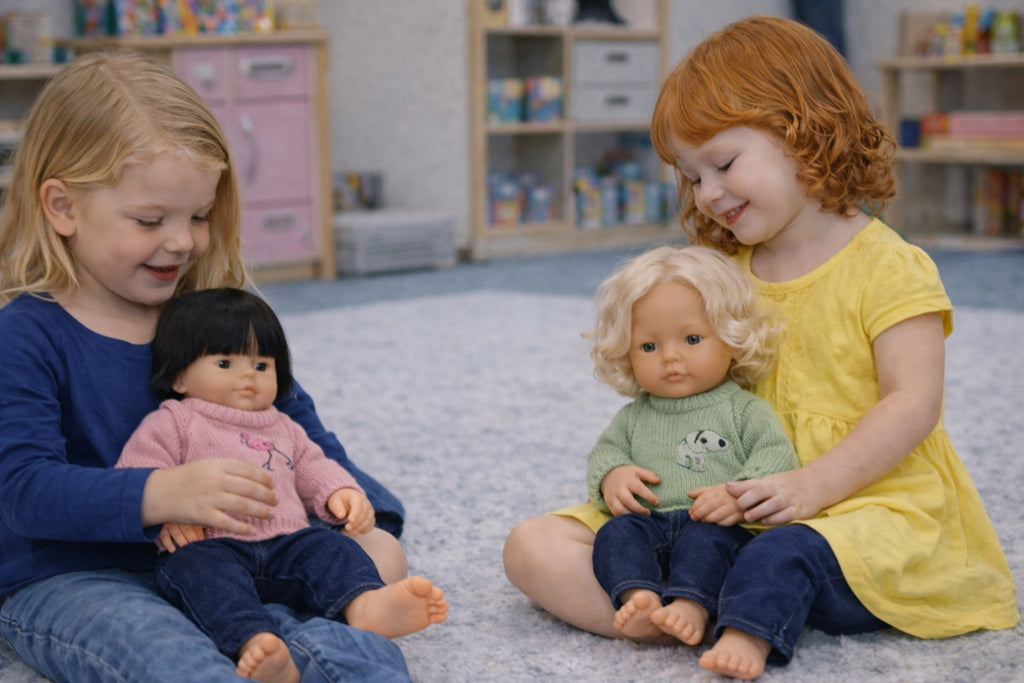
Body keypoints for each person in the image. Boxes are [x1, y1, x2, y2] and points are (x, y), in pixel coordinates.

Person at [503, 15, 1020, 680]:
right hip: (714, 504)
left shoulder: (890, 267)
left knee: (783, 552)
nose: (708, 194)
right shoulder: (720, 273)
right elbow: (671, 380)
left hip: (857, 505)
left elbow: (913, 403)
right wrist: (620, 472)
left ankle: (729, 598)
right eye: (692, 177)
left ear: (805, 130)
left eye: (722, 164)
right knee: (533, 544)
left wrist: (811, 485)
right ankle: (670, 612)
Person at [0, 51, 414, 682]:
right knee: (158, 648)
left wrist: (350, 504)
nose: (182, 241)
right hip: (75, 571)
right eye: (150, 220)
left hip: (230, 555)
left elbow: (294, 428)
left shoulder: (211, 316)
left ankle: (287, 653)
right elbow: (24, 492)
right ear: (62, 207)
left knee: (363, 592)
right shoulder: (26, 334)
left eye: (198, 216)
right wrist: (162, 492)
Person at [116, 287, 448, 683]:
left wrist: (341, 493)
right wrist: (166, 516)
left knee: (332, 549)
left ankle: (365, 604)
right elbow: (139, 474)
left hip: (288, 542)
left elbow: (312, 466)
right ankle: (255, 643)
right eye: (225, 363)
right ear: (179, 376)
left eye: (262, 365)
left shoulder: (284, 425)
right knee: (198, 574)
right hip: (212, 545)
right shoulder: (173, 421)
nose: (248, 376)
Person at [583, 245, 798, 645]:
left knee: (709, 545)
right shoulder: (635, 416)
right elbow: (606, 452)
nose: (670, 357)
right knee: (615, 535)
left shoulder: (742, 409)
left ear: (733, 339)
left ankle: (691, 605)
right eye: (649, 347)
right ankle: (640, 596)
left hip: (714, 525)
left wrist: (737, 496)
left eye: (692, 339)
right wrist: (613, 475)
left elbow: (775, 454)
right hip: (649, 523)